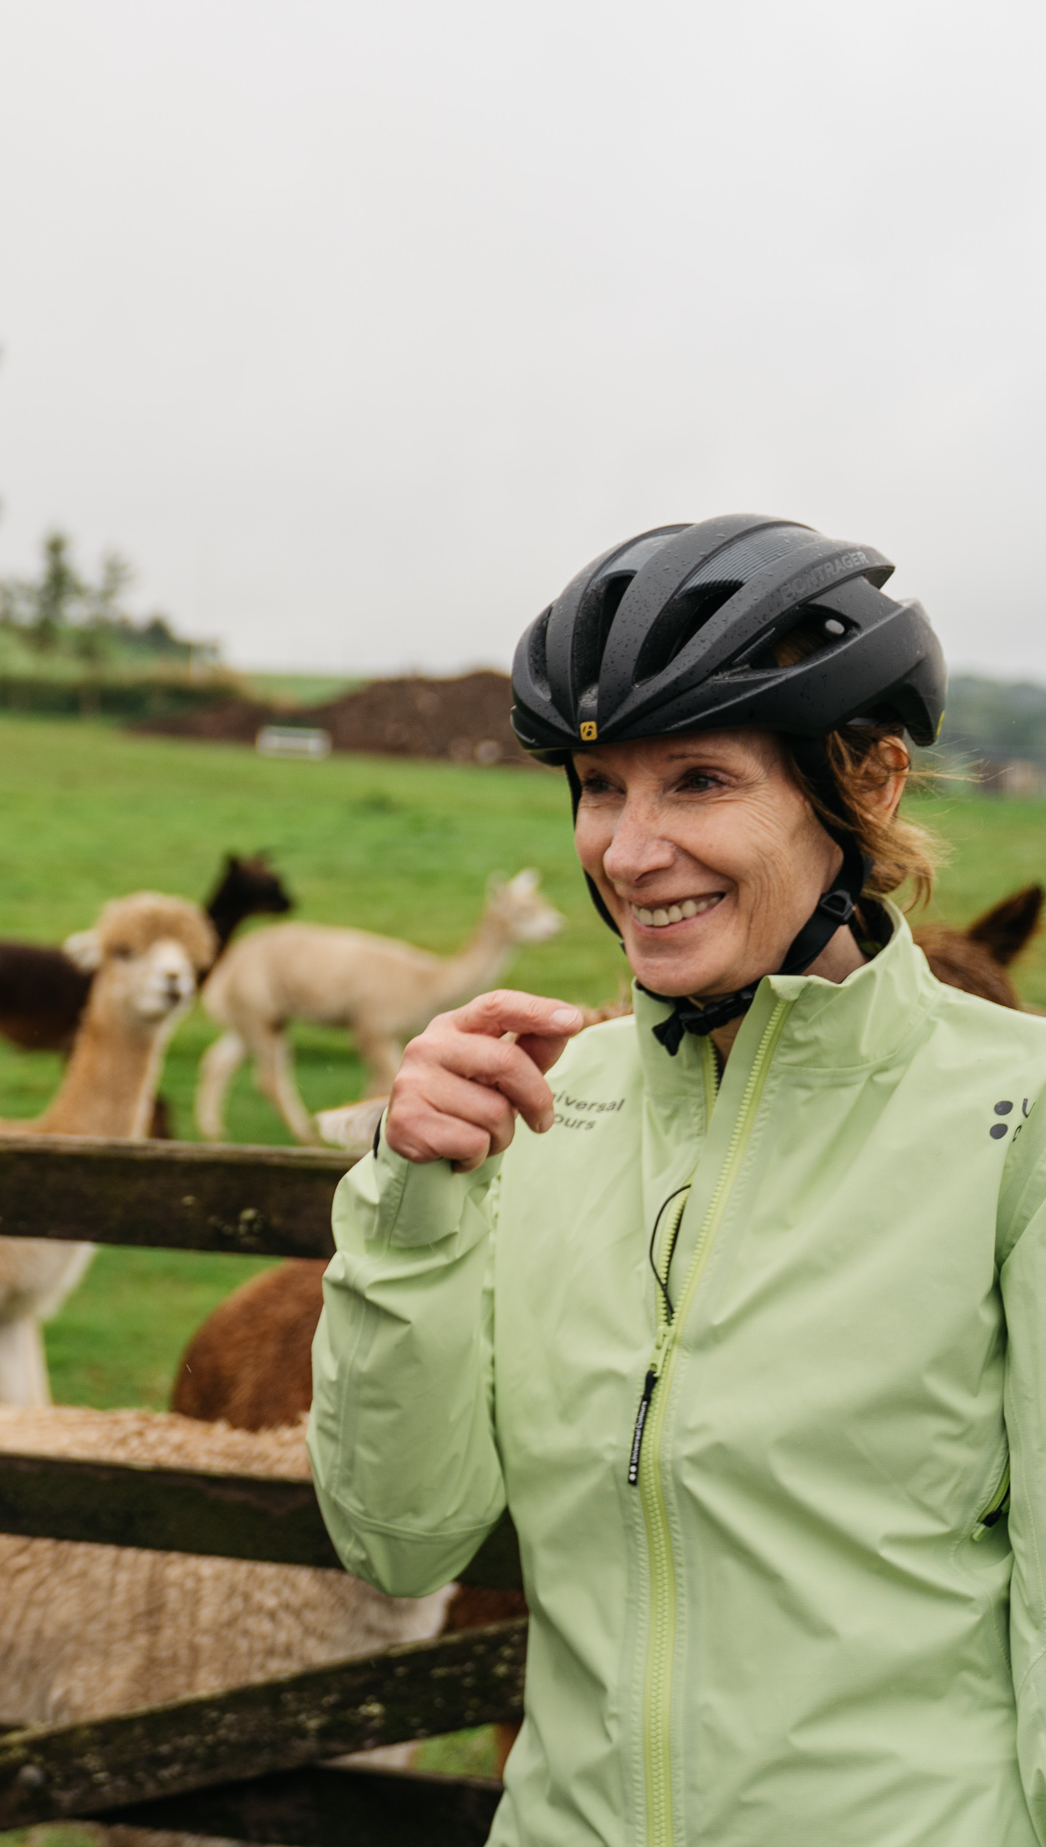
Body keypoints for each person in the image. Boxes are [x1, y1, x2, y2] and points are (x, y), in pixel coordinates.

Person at [311, 513, 1046, 1845]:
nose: (629, 851)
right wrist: (410, 1205)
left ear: (871, 786)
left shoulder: (1019, 1118)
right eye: (601, 787)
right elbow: (399, 1540)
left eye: (699, 781)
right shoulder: (545, 1107)